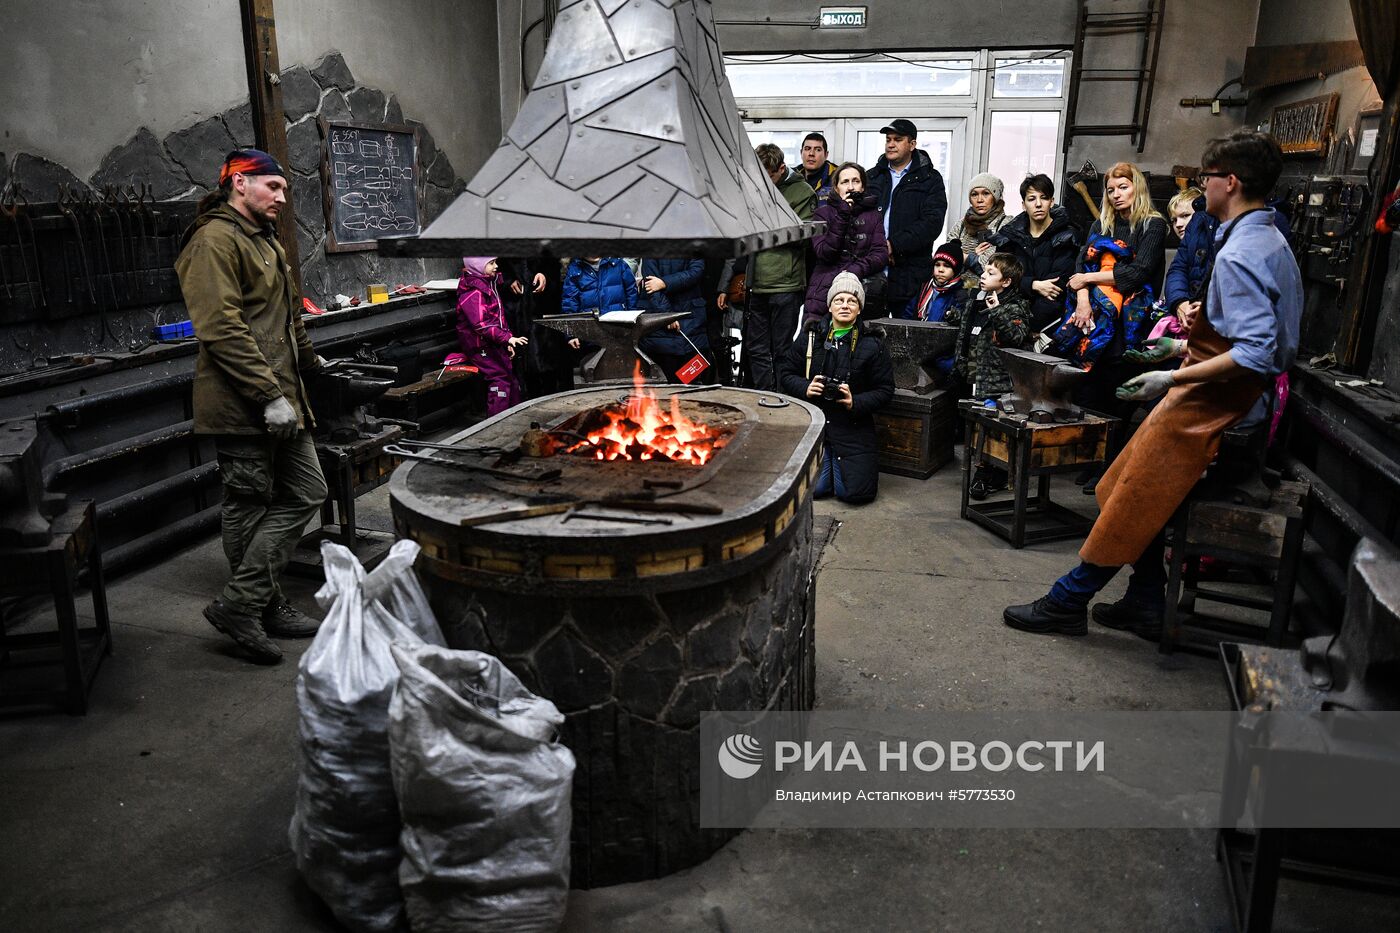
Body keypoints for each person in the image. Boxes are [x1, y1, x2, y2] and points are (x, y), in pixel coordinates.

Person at [1002, 131, 1303, 639]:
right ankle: (1144, 599)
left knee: (1134, 495)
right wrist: (1180, 347)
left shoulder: (1241, 253)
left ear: (1229, 182)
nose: (1201, 187)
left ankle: (1069, 599)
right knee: (1116, 482)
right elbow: (1251, 337)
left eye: (1206, 179)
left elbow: (1257, 352)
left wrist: (1172, 375)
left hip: (1221, 407)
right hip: (1213, 391)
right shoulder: (1265, 238)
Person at [175, 148, 328, 665]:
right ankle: (255, 606)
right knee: (250, 501)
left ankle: (249, 601)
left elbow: (288, 320)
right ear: (239, 183)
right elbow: (220, 329)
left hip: (284, 398)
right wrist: (267, 396)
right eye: (273, 188)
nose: (282, 200)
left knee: (309, 490)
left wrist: (315, 370)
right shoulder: (213, 241)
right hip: (242, 404)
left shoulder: (264, 243)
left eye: (285, 189)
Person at [779, 272, 895, 504]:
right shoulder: (810, 337)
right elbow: (784, 372)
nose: (845, 305)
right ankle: (828, 458)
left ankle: (833, 459)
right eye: (839, 300)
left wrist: (856, 402)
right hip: (816, 425)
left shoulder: (872, 344)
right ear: (829, 306)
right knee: (816, 491)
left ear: (860, 308)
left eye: (852, 301)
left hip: (852, 426)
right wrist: (805, 388)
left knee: (854, 494)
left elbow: (885, 390)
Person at [947, 252, 1031, 499]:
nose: (983, 276)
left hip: (999, 382)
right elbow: (967, 334)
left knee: (996, 429)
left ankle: (990, 474)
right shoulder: (977, 298)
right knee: (976, 427)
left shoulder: (1016, 305)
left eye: (991, 273)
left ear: (1006, 281)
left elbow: (1015, 338)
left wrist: (998, 311)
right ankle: (984, 469)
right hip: (974, 375)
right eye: (984, 271)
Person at [864, 118, 949, 320]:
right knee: (868, 337)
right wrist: (878, 246)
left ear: (912, 144)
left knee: (906, 339)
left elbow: (931, 223)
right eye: (888, 139)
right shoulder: (872, 176)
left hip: (910, 276)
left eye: (898, 139)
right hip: (872, 271)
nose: (891, 144)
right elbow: (860, 217)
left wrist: (894, 245)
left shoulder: (930, 179)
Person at [748, 143, 816, 390]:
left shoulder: (802, 192)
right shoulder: (753, 188)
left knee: (782, 350)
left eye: (769, 176)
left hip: (786, 284)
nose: (764, 182)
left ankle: (783, 398)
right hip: (756, 282)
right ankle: (762, 395)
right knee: (755, 348)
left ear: (781, 168)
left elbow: (800, 236)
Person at [988, 174, 1080, 332]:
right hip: (1008, 316)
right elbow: (999, 279)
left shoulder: (1066, 237)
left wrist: (1028, 328)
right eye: (1031, 199)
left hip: (1048, 323)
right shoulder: (1009, 238)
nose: (1038, 204)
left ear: (1051, 201)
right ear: (1023, 205)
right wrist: (1033, 285)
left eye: (1043, 198)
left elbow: (1055, 289)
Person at [803, 162, 889, 323]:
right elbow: (824, 253)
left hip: (861, 289)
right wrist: (843, 214)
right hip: (823, 289)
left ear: (862, 186)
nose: (850, 187)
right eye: (845, 182)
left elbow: (881, 254)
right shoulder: (822, 214)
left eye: (855, 181)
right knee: (816, 342)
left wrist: (854, 270)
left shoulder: (873, 215)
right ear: (836, 188)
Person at [456, 257, 527, 416]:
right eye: (491, 263)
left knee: (510, 377)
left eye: (495, 261)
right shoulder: (473, 291)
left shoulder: (490, 284)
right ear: (477, 266)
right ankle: (497, 422)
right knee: (499, 379)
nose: (496, 266)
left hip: (492, 342)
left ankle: (516, 416)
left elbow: (499, 318)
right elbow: (481, 324)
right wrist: (506, 338)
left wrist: (507, 339)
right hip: (478, 345)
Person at [637, 258, 712, 382]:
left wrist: (664, 283)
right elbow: (651, 285)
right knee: (664, 383)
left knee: (690, 382)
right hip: (661, 327)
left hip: (692, 321)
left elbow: (696, 271)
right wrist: (667, 315)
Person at [948, 172, 1012, 287]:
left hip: (988, 296)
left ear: (995, 197)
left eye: (986, 193)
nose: (979, 200)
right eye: (974, 194)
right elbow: (946, 262)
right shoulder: (961, 224)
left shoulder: (1006, 224)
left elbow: (993, 268)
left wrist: (965, 257)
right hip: (955, 291)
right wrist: (975, 255)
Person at [904, 239, 965, 323]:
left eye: (946, 266)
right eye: (937, 265)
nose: (940, 270)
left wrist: (951, 315)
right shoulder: (924, 287)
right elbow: (908, 314)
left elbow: (958, 321)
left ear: (956, 270)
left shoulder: (959, 295)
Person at [560, 256, 637, 314]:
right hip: (589, 326)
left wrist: (632, 316)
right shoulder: (574, 270)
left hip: (619, 322)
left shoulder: (618, 264)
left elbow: (631, 291)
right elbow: (570, 302)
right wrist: (573, 333)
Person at [799, 132, 839, 206]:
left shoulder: (839, 177)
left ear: (826, 155)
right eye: (807, 149)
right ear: (801, 152)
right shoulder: (791, 177)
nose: (811, 153)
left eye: (818, 150)